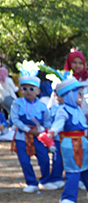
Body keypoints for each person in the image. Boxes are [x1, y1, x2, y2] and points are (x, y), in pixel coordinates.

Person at [47, 76, 88, 203]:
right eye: (77, 93)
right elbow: (59, 123)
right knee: (73, 171)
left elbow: (82, 124)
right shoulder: (63, 110)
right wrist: (52, 132)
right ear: (69, 95)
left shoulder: (78, 109)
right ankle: (67, 197)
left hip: (84, 142)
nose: (80, 96)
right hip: (71, 143)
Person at [11, 60, 54, 192]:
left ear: (38, 90)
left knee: (44, 158)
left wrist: (43, 129)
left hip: (39, 135)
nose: (28, 91)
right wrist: (28, 129)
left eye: (31, 89)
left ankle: (45, 180)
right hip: (21, 135)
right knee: (24, 160)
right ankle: (31, 183)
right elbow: (15, 119)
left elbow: (47, 120)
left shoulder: (42, 105)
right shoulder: (17, 103)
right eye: (25, 88)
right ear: (21, 89)